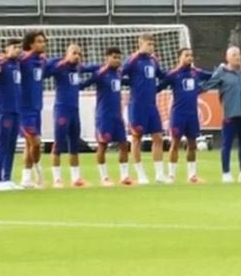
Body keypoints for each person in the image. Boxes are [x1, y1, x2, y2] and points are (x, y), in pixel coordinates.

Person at [202, 46, 241, 182]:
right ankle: (226, 173)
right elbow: (207, 85)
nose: (237, 57)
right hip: (230, 114)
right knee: (227, 144)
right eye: (234, 55)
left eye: (239, 54)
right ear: (227, 57)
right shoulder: (221, 73)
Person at [46, 43, 97, 188]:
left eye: (79, 54)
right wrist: (57, 62)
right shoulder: (60, 68)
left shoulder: (78, 68)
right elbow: (46, 72)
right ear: (67, 54)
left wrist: (105, 66)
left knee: (74, 144)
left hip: (74, 110)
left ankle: (76, 178)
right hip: (62, 110)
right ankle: (57, 179)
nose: (77, 56)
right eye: (74, 53)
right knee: (58, 144)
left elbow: (92, 68)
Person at [159, 48, 212, 184]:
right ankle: (171, 175)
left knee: (192, 144)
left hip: (192, 115)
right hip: (178, 114)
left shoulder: (196, 72)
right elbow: (159, 86)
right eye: (186, 55)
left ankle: (192, 175)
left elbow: (212, 76)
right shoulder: (173, 74)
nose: (190, 57)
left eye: (191, 55)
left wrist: (203, 87)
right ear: (179, 57)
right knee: (175, 143)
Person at [81, 47, 131, 186]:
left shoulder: (119, 74)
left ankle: (124, 176)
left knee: (124, 145)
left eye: (119, 58)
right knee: (103, 145)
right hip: (104, 116)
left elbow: (128, 82)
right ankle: (104, 177)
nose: (117, 60)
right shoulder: (101, 73)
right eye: (114, 57)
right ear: (107, 58)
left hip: (117, 116)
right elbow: (86, 83)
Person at [123, 34, 167, 184]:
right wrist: (130, 83)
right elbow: (120, 74)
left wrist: (172, 77)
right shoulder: (133, 59)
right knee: (137, 138)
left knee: (158, 137)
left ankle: (159, 175)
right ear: (140, 44)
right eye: (148, 44)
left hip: (151, 105)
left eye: (153, 44)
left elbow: (162, 76)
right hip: (137, 105)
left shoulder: (154, 60)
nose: (151, 47)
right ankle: (141, 174)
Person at [18, 30, 49, 188]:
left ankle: (26, 178)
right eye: (39, 41)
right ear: (31, 44)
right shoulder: (23, 59)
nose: (43, 44)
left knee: (30, 144)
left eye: (43, 41)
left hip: (37, 108)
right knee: (35, 142)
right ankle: (38, 173)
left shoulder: (42, 60)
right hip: (24, 108)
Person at [0, 40, 23, 189]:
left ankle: (7, 178)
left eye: (19, 47)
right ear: (6, 49)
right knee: (2, 144)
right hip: (4, 109)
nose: (18, 50)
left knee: (12, 145)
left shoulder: (17, 64)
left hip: (16, 109)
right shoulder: (0, 64)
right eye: (14, 47)